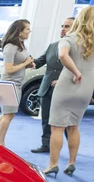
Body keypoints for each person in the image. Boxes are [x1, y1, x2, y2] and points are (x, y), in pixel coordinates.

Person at [44, 6, 94, 178]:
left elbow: (63, 56)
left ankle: (53, 164)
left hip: (67, 84)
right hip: (86, 88)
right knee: (74, 127)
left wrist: (75, 72)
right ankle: (72, 162)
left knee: (57, 128)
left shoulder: (70, 38)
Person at [30, 18, 75, 154]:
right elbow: (39, 62)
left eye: (67, 26)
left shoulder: (77, 48)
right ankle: (46, 145)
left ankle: (72, 147)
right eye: (62, 26)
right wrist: (29, 61)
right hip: (47, 88)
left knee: (66, 122)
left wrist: (62, 80)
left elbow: (77, 68)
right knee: (46, 118)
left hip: (65, 89)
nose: (63, 28)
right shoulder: (53, 46)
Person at [0, 20, 35, 146]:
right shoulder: (10, 47)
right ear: (19, 31)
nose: (29, 31)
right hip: (9, 83)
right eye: (27, 29)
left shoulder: (21, 45)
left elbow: (19, 65)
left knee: (7, 114)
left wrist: (27, 65)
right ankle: (1, 144)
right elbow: (9, 69)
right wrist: (25, 63)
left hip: (16, 84)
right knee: (8, 115)